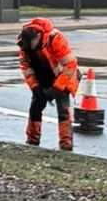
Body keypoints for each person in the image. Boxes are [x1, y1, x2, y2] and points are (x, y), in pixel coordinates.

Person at [17, 16, 79, 151]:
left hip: (61, 77)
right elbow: (26, 68)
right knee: (35, 108)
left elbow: (70, 65)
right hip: (41, 77)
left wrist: (57, 87)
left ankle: (66, 144)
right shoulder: (25, 43)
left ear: (38, 36)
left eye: (31, 44)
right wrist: (34, 87)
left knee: (63, 110)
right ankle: (32, 141)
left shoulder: (55, 38)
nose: (29, 48)